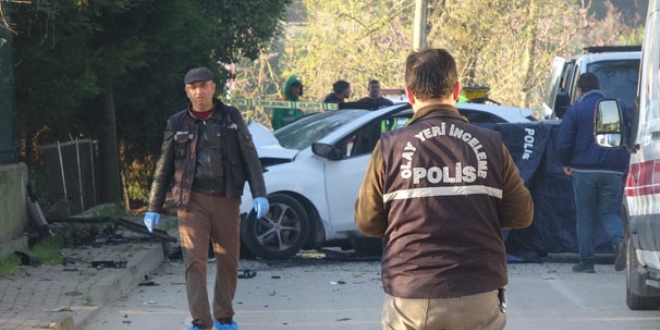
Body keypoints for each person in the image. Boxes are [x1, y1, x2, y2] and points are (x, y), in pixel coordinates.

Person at [354, 48, 534, 330]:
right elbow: (522, 215)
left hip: (410, 295)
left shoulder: (389, 147)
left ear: (410, 94)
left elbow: (367, 221)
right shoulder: (491, 144)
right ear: (457, 89)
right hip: (479, 290)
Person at [143, 67, 270, 330]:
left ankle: (224, 317)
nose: (198, 92)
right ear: (187, 92)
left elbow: (250, 157)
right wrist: (153, 206)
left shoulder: (231, 117)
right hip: (192, 200)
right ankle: (201, 321)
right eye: (193, 87)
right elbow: (164, 166)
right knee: (194, 260)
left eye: (203, 86)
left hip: (226, 197)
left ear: (213, 88)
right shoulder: (177, 123)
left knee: (228, 258)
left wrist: (260, 194)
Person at [557, 73, 630, 273]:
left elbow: (564, 140)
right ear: (599, 86)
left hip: (584, 170)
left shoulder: (576, 110)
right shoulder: (619, 107)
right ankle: (620, 241)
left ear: (580, 91)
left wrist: (565, 162)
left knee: (585, 216)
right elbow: (630, 133)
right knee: (609, 212)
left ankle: (586, 261)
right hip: (614, 169)